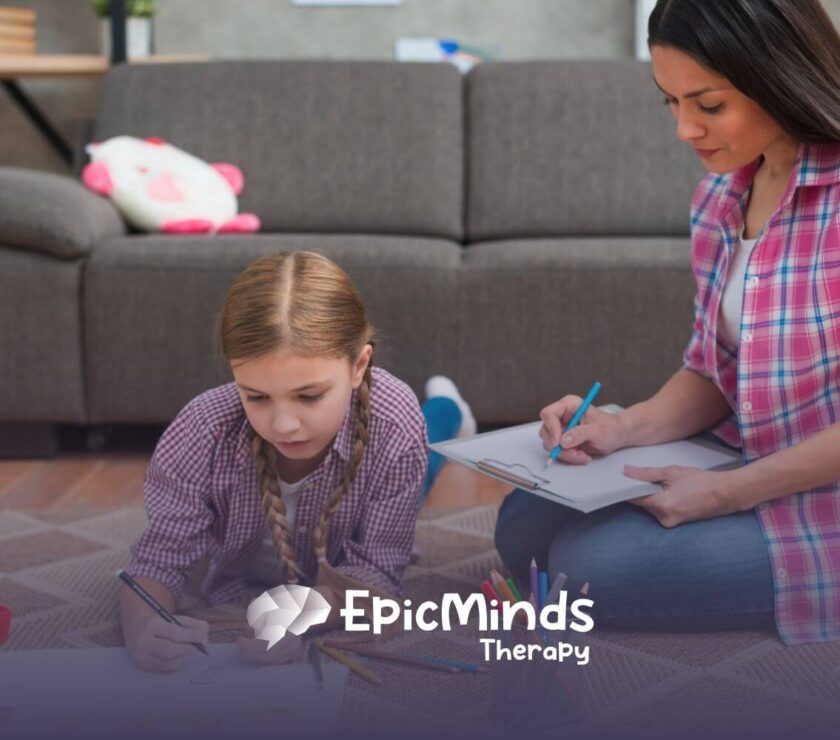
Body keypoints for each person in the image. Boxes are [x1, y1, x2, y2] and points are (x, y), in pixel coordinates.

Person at [496, 0, 840, 644]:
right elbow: (716, 370)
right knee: (524, 520)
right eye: (671, 103)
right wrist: (619, 429)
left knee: (591, 571)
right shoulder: (720, 197)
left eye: (708, 106)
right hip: (749, 455)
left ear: (779, 77)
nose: (685, 129)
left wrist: (727, 494)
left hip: (819, 492)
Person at [119, 251, 474, 671]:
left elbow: (380, 570)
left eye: (309, 396)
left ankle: (449, 407)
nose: (284, 425)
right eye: (256, 396)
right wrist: (142, 627)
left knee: (428, 452)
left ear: (359, 366)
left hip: (387, 442)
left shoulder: (393, 423)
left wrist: (306, 607)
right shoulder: (203, 427)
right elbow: (158, 561)